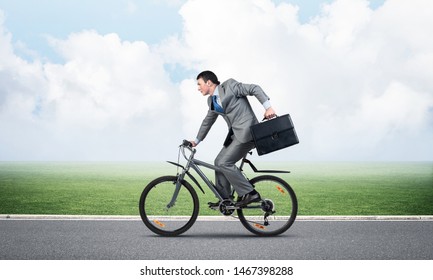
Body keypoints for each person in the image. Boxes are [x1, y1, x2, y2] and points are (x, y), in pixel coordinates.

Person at [190, 70, 276, 207]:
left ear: (209, 82)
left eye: (199, 84)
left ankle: (250, 193)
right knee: (218, 162)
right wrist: (196, 141)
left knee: (224, 163)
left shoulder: (230, 86)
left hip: (247, 133)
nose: (198, 88)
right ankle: (225, 199)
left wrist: (268, 108)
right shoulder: (211, 100)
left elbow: (254, 88)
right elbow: (208, 120)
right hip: (235, 135)